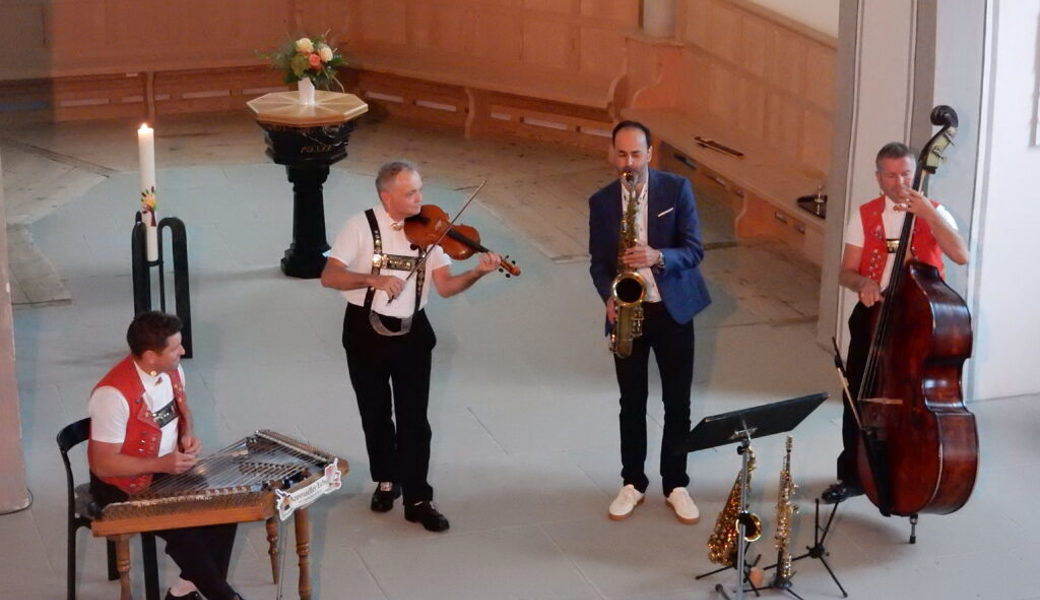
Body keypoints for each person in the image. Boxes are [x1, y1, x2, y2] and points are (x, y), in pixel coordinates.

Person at [320, 160, 502, 532]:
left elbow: (446, 287)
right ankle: (387, 478)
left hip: (413, 333)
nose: (421, 198)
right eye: (411, 193)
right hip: (363, 331)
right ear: (387, 197)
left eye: (419, 189)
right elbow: (329, 276)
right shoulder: (359, 226)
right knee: (374, 412)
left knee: (414, 419)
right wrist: (373, 278)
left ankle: (419, 497)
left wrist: (476, 273)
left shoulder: (432, 232)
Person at [822, 142, 969, 504]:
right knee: (859, 391)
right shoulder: (866, 214)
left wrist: (930, 216)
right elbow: (846, 271)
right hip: (876, 313)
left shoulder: (935, 211)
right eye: (891, 175)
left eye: (905, 173)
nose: (899, 181)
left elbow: (960, 255)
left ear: (915, 173)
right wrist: (864, 283)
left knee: (916, 395)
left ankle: (915, 465)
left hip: (920, 318)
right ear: (878, 178)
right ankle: (853, 473)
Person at [588, 121, 711, 523]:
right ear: (612, 154)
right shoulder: (602, 202)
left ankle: (676, 483)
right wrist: (609, 294)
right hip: (628, 312)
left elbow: (694, 251)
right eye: (621, 154)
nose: (629, 163)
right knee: (631, 402)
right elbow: (598, 264)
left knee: (678, 401)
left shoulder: (677, 190)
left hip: (672, 310)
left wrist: (658, 256)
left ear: (650, 154)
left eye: (636, 154)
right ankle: (633, 482)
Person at [88, 311, 244, 600]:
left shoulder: (171, 371)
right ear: (150, 356)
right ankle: (224, 596)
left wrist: (187, 436)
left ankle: (184, 591)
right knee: (185, 530)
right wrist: (161, 463)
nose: (183, 352)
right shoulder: (112, 395)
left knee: (225, 508)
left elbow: (182, 413)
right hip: (122, 486)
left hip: (168, 469)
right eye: (175, 348)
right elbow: (102, 463)